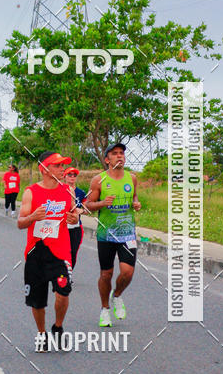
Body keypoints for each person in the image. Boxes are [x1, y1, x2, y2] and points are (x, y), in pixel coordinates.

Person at [17, 152, 79, 348]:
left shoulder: (67, 191)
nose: (62, 169)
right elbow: (20, 222)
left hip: (60, 253)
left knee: (63, 292)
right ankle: (42, 333)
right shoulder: (31, 192)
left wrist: (74, 218)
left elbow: (74, 213)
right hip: (36, 253)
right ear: (44, 169)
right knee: (37, 301)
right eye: (57, 166)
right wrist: (33, 216)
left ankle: (58, 327)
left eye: (63, 166)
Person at [85, 142, 141, 327]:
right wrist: (102, 204)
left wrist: (136, 203)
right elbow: (87, 205)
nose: (120, 156)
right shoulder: (98, 180)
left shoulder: (131, 178)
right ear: (107, 159)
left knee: (128, 272)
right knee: (106, 274)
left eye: (122, 153)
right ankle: (105, 309)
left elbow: (134, 197)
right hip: (106, 235)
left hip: (127, 234)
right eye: (115, 153)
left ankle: (117, 295)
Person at [63, 167, 87, 269]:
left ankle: (69, 274)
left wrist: (80, 210)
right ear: (64, 177)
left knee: (73, 252)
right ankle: (60, 274)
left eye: (74, 175)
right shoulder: (60, 189)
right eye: (69, 175)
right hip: (62, 226)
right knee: (62, 252)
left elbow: (87, 208)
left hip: (75, 226)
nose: (72, 177)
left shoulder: (80, 192)